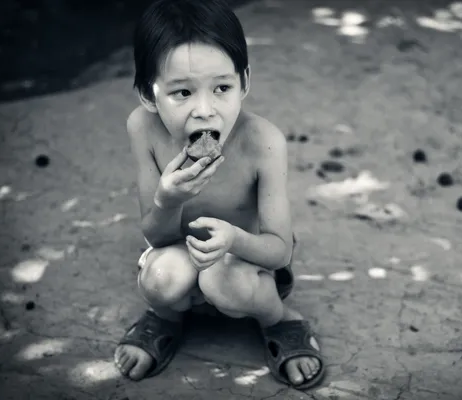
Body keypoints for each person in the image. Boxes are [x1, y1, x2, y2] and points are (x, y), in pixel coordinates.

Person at [113, 0, 325, 390]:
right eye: (182, 93)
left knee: (221, 280)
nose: (205, 111)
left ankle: (279, 318)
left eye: (222, 88)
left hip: (249, 262)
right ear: (148, 94)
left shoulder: (263, 142)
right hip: (179, 249)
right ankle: (168, 318)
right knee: (159, 279)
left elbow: (281, 250)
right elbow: (156, 237)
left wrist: (235, 240)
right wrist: (167, 200)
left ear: (244, 82)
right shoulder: (143, 128)